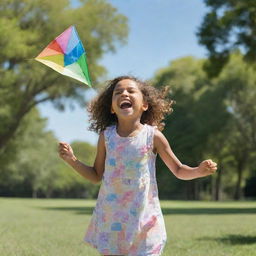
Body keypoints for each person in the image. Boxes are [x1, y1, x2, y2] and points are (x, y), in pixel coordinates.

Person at [58, 75, 217, 256]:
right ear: (111, 107)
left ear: (144, 105)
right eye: (118, 92)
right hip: (112, 219)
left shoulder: (153, 136)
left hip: (144, 219)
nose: (124, 94)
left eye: (131, 91)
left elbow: (179, 170)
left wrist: (198, 171)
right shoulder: (106, 137)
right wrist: (72, 160)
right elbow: (96, 175)